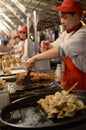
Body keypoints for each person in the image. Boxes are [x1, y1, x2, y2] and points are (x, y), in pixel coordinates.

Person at [24, 0, 86, 90]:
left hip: (82, 85)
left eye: (65, 18)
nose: (62, 21)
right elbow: (54, 47)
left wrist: (35, 58)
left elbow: (60, 50)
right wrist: (47, 46)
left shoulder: (83, 34)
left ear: (76, 15)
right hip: (67, 82)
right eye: (61, 17)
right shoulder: (65, 34)